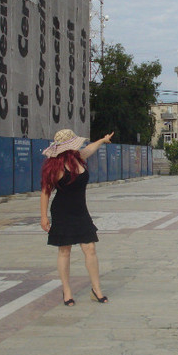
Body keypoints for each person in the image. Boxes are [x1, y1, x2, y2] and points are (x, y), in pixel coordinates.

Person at [40, 129, 113, 306]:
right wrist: (44, 216)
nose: (78, 146)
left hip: (81, 211)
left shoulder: (78, 157)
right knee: (65, 250)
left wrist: (102, 140)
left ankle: (96, 290)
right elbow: (45, 192)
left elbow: (90, 149)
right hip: (62, 212)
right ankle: (67, 291)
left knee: (90, 248)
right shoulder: (55, 167)